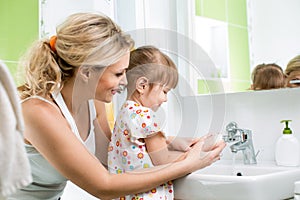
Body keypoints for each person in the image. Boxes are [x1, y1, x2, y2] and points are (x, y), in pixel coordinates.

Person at [9, 12, 225, 200]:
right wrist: (188, 165)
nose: (124, 82)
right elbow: (104, 186)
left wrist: (167, 142)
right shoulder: (39, 112)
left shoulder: (94, 103)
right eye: (118, 73)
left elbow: (112, 158)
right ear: (86, 72)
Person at [108, 46, 187, 199]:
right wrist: (195, 156)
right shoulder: (145, 116)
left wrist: (174, 142)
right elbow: (162, 160)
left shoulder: (125, 111)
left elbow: (143, 148)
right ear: (142, 86)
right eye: (165, 91)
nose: (165, 99)